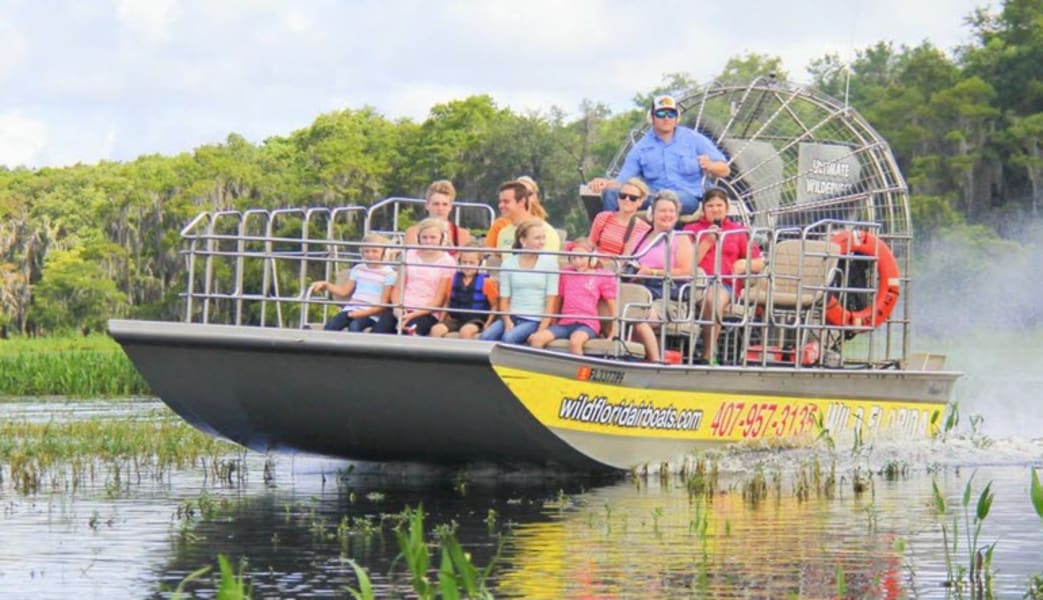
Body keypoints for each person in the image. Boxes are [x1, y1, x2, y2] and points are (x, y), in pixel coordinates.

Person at [586, 94, 730, 216]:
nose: (666, 118)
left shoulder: (694, 139)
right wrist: (604, 183)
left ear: (677, 118)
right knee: (612, 193)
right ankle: (609, 238)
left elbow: (724, 170)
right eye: (661, 114)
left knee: (669, 200)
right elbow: (623, 180)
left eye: (671, 114)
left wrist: (710, 165)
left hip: (686, 197)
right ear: (652, 118)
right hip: (652, 196)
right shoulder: (641, 147)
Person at [683, 187, 764, 364]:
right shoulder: (691, 230)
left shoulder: (738, 231)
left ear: (727, 208)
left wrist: (745, 264)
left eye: (719, 205)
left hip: (725, 283)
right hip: (695, 281)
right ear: (703, 209)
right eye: (710, 205)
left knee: (712, 298)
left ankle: (708, 354)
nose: (715, 209)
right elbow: (687, 263)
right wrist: (707, 241)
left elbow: (759, 262)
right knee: (706, 295)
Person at [628, 190, 694, 363]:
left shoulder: (681, 238)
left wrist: (653, 272)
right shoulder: (641, 237)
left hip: (666, 296)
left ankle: (655, 361)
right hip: (639, 290)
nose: (667, 215)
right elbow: (626, 260)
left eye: (671, 211)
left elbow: (686, 272)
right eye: (662, 210)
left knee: (636, 316)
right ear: (652, 213)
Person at [528, 237, 617, 355]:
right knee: (537, 339)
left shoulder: (601, 276)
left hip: (588, 324)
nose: (577, 261)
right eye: (574, 257)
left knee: (575, 341)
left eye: (581, 257)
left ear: (593, 258)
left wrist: (613, 332)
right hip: (565, 322)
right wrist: (552, 323)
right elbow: (557, 300)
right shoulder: (566, 274)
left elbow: (613, 307)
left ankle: (580, 371)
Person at [479, 220, 559, 345]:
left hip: (534, 320)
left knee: (508, 338)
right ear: (523, 241)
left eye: (543, 238)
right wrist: (507, 321)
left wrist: (541, 330)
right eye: (537, 238)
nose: (542, 242)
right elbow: (504, 299)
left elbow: (550, 303)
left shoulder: (550, 264)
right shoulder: (508, 264)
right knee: (485, 337)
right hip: (512, 316)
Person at [373, 218, 456, 335]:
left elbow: (439, 300)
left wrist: (413, 314)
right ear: (419, 238)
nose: (428, 241)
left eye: (433, 238)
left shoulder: (448, 261)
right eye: (425, 237)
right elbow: (398, 288)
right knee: (380, 329)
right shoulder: (410, 254)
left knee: (409, 331)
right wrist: (398, 309)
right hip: (403, 307)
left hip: (427, 312)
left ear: (441, 238)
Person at [308, 233, 396, 332]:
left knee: (355, 326)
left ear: (383, 252)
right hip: (351, 309)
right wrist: (326, 285)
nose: (370, 255)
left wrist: (359, 314)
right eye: (367, 251)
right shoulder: (358, 269)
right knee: (331, 325)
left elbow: (383, 305)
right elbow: (344, 291)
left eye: (375, 251)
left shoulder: (389, 274)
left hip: (371, 314)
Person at [429, 246, 494, 339]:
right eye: (464, 262)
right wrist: (441, 320)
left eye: (472, 263)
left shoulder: (487, 282)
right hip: (456, 319)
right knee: (436, 330)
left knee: (465, 331)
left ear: (479, 263)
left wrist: (488, 323)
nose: (467, 265)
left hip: (476, 320)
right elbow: (447, 303)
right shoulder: (452, 280)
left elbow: (494, 306)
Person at [484, 180, 560, 253]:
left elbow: (547, 264)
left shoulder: (546, 232)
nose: (500, 205)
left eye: (506, 201)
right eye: (500, 201)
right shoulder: (503, 233)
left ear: (521, 202)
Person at [588, 177, 652, 256]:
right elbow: (590, 244)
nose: (627, 199)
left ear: (640, 202)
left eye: (633, 198)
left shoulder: (644, 230)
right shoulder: (602, 217)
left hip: (620, 266)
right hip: (596, 264)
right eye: (623, 196)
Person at [404, 179, 472, 252]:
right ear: (427, 205)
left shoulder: (462, 234)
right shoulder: (413, 232)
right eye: (436, 204)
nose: (440, 208)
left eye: (445, 204)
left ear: (450, 207)